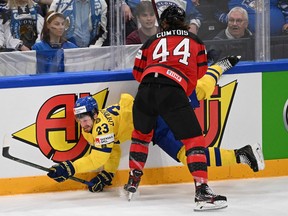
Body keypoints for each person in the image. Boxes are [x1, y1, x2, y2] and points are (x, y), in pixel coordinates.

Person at [124, 5, 227, 211]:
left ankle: (132, 182)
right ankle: (202, 191)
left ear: (162, 22)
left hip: (145, 90)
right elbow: (200, 73)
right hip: (172, 90)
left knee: (141, 136)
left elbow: (137, 73)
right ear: (184, 21)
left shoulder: (151, 41)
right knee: (194, 139)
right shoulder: (195, 41)